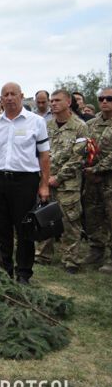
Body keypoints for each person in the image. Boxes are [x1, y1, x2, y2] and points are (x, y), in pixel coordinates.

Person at [0, 82, 50, 284]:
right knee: (1, 229)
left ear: (21, 96)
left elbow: (44, 156)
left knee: (25, 229)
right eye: (5, 95)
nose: (9, 98)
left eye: (13, 94)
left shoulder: (36, 122)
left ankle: (23, 273)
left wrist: (44, 184)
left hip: (25, 181)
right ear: (1, 99)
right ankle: (4, 271)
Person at [35, 89, 88, 273]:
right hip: (45, 181)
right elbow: (39, 153)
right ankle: (43, 254)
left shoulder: (80, 126)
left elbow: (78, 157)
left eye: (57, 100)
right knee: (45, 218)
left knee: (70, 222)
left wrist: (58, 177)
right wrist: (44, 177)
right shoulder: (46, 126)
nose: (53, 103)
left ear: (68, 102)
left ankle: (71, 260)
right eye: (51, 101)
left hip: (68, 184)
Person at [83, 87, 112, 272]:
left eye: (109, 98)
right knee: (93, 214)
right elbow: (85, 147)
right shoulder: (92, 124)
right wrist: (87, 167)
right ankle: (96, 249)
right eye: (101, 98)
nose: (104, 101)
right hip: (92, 179)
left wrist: (97, 169)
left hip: (108, 177)